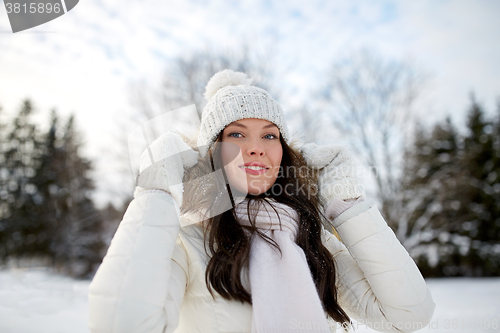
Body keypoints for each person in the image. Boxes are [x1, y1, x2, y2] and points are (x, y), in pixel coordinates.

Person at [88, 69, 435, 333]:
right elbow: (120, 323)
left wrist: (345, 202)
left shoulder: (312, 240)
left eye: (270, 135)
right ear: (211, 154)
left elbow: (408, 314)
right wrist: (157, 191)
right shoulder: (187, 239)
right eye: (236, 134)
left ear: (282, 153)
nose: (256, 147)